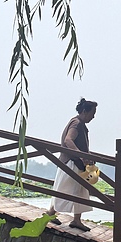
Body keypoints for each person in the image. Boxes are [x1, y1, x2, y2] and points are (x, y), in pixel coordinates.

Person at [46, 98, 98, 231]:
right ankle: (51, 214)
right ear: (85, 111)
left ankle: (75, 219)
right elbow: (68, 140)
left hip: (75, 163)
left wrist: (87, 156)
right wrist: (81, 156)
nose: (93, 116)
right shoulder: (77, 123)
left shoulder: (78, 123)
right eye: (93, 112)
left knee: (79, 190)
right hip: (71, 163)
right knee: (65, 189)